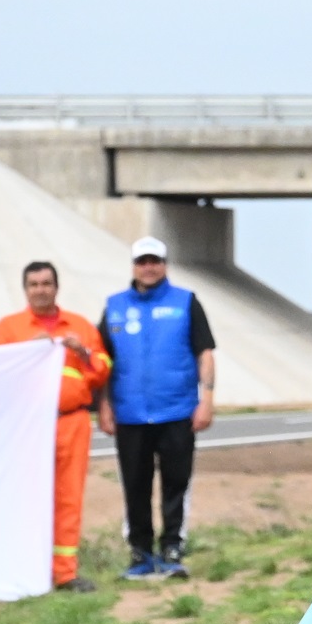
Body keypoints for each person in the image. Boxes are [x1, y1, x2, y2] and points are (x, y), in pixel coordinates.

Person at [0, 262, 111, 591]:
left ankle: (65, 573)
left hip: (72, 422)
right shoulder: (9, 329)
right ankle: (26, 568)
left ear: (56, 287)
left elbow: (102, 370)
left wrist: (82, 352)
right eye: (34, 284)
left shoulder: (81, 326)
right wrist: (28, 352)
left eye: (46, 283)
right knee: (26, 496)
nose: (40, 289)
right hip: (28, 426)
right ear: (25, 289)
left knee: (68, 498)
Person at [100, 236, 215, 581]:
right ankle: (139, 551)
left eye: (155, 261)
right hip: (130, 414)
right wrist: (104, 407)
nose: (148, 267)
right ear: (134, 266)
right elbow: (102, 361)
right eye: (142, 261)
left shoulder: (186, 302)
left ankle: (172, 548)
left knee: (175, 483)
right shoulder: (114, 306)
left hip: (177, 411)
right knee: (135, 484)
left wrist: (206, 399)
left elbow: (204, 352)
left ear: (164, 264)